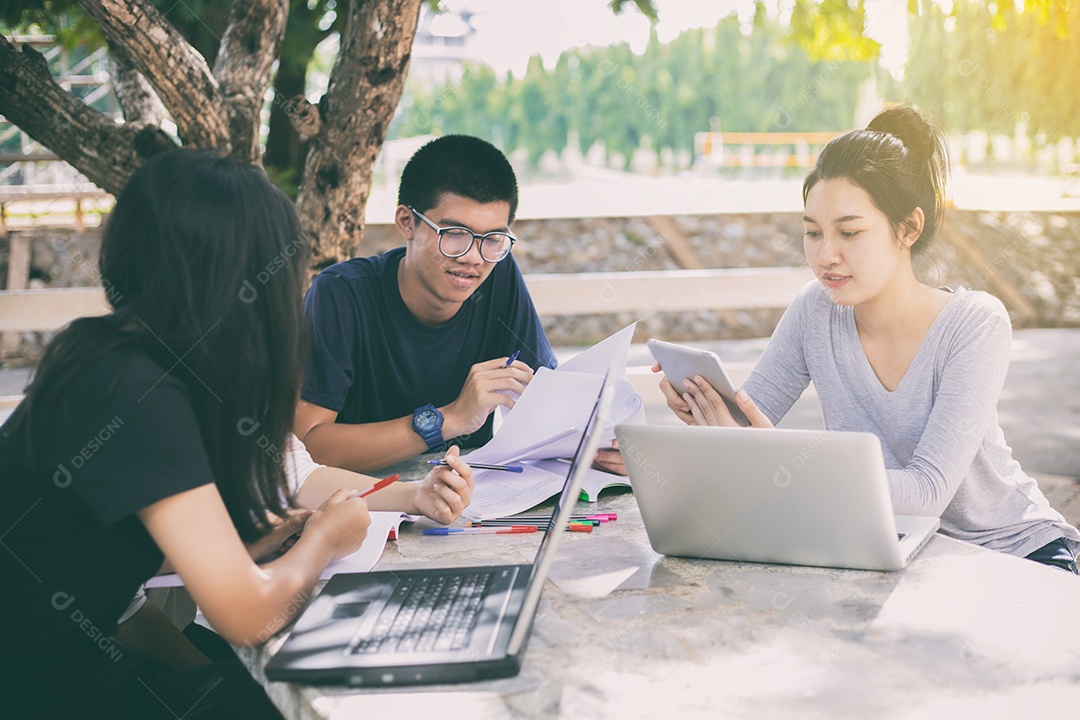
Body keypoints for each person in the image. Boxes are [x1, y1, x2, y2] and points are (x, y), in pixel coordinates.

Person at [0, 150, 474, 719]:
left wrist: (252, 557)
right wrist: (325, 539)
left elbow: (113, 587)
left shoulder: (106, 354)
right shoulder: (136, 394)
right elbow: (245, 614)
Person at [657, 106, 1080, 573]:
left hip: (1014, 551)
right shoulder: (814, 310)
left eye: (850, 232)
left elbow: (926, 492)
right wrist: (703, 418)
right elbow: (747, 426)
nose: (825, 256)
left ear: (909, 228)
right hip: (888, 547)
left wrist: (781, 463)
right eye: (812, 232)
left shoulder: (975, 324)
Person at [295, 134, 624, 474]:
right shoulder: (341, 293)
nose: (473, 258)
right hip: (366, 509)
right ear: (407, 222)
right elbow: (306, 448)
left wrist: (598, 449)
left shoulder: (498, 274)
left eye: (493, 239)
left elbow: (545, 404)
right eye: (454, 234)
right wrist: (448, 419)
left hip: (468, 502)